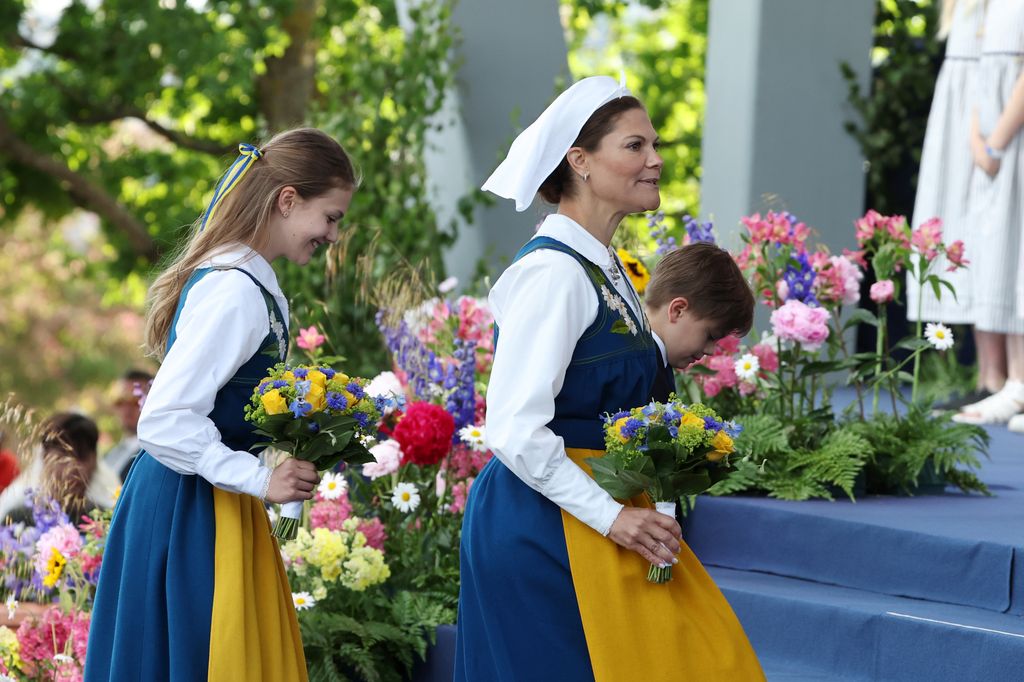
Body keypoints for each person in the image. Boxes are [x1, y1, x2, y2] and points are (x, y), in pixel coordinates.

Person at [456, 76, 764, 681]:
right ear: (580, 161)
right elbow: (515, 428)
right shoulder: (555, 275)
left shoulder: (607, 272)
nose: (655, 159)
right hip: (543, 528)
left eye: (654, 144)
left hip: (588, 519)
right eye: (634, 146)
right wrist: (614, 516)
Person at [85, 128, 357, 682]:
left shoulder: (252, 283)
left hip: (212, 503)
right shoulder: (235, 290)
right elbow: (162, 419)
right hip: (186, 511)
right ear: (287, 199)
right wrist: (257, 477)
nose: (332, 234)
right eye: (330, 217)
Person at [906, 0, 990, 410]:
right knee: (958, 227)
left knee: (981, 232)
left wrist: (981, 137)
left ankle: (996, 374)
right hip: (959, 119)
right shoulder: (960, 10)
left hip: (981, 120)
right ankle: (983, 374)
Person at [954, 0, 1024, 426]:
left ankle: (1016, 381)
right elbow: (983, 77)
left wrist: (995, 142)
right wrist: (980, 138)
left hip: (1009, 138)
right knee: (1006, 254)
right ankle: (1014, 381)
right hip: (998, 139)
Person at [645, 242, 755, 402]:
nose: (711, 351)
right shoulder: (640, 370)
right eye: (710, 335)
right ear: (678, 310)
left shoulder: (655, 363)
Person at [0, 413, 118, 524]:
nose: (73, 468)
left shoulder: (105, 523)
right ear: (45, 457)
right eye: (63, 458)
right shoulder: (17, 521)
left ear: (95, 461)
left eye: (81, 457)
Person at [103, 369, 153, 482]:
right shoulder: (110, 455)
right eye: (121, 400)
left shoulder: (155, 454)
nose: (127, 408)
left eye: (135, 401)